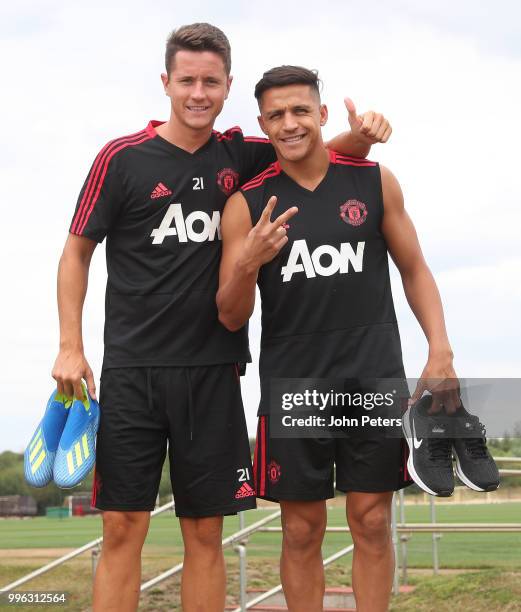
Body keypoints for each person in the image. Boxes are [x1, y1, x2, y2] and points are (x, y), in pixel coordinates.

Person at [51, 24, 391, 612]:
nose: (198, 92)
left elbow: (313, 150)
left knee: (206, 534)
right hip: (133, 371)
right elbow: (76, 251)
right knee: (122, 529)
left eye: (211, 81)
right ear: (166, 82)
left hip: (214, 373)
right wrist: (69, 346)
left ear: (228, 85)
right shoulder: (121, 159)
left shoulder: (242, 153)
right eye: (187, 80)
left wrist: (364, 135)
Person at [217, 65, 459, 612]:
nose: (290, 123)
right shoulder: (247, 204)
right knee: (301, 530)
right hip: (295, 385)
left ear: (322, 115)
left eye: (301, 110)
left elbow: (415, 269)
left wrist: (440, 349)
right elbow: (231, 315)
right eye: (276, 115)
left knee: (371, 520)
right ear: (263, 124)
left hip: (371, 376)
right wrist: (249, 264)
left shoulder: (373, 181)